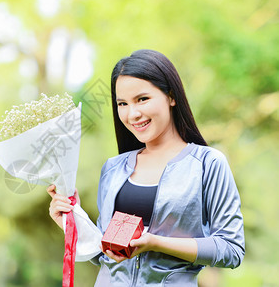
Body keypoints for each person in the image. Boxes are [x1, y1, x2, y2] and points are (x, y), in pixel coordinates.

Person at [47, 49, 245, 286]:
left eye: (142, 99)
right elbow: (105, 255)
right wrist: (72, 221)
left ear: (171, 96)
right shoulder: (113, 168)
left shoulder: (208, 164)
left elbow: (231, 249)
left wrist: (155, 242)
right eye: (122, 103)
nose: (133, 114)